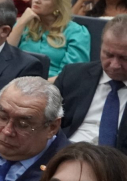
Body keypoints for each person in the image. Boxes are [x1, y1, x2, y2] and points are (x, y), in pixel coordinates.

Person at [54, 14, 127, 149]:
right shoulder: (73, 75)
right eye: (109, 55)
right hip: (66, 152)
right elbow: (46, 122)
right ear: (100, 48)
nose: (115, 65)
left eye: (124, 58)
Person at [8, 0, 91, 79]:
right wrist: (21, 22)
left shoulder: (77, 33)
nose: (37, 0)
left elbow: (71, 75)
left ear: (58, 4)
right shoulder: (24, 24)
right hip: (17, 81)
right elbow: (6, 57)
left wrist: (37, 87)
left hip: (53, 87)